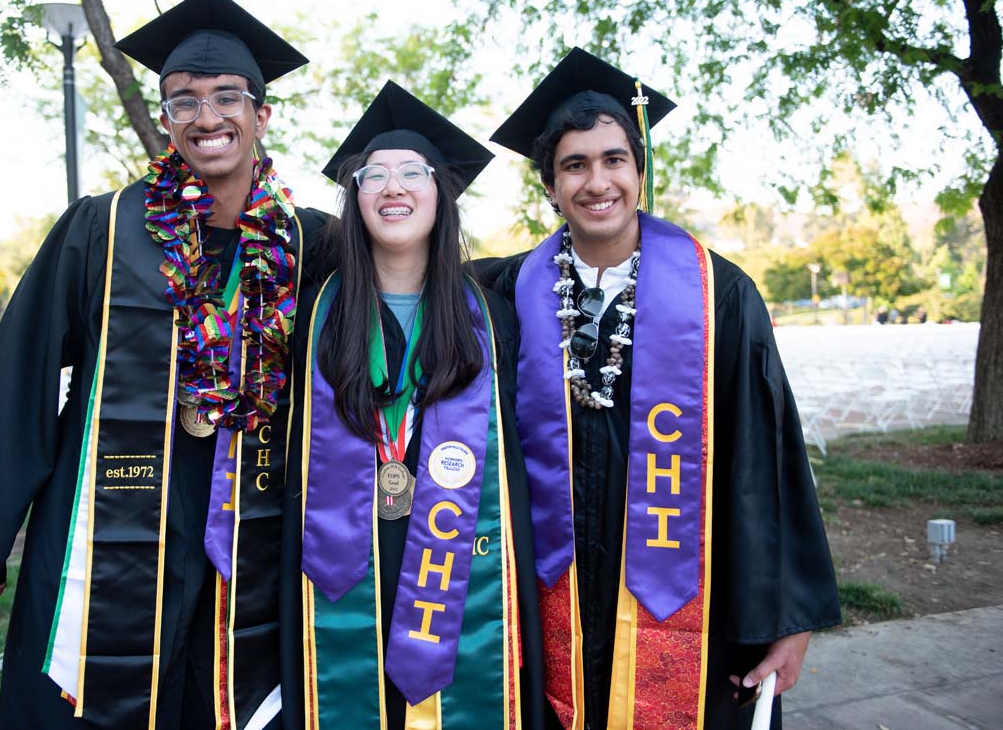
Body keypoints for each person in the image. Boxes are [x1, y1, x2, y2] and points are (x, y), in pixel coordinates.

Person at [0, 0, 330, 730]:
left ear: (262, 115)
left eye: (227, 96)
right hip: (108, 520)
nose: (206, 117)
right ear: (165, 120)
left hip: (256, 527)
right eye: (182, 101)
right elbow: (19, 377)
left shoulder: (314, 241)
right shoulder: (101, 229)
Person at [477, 48, 840, 730]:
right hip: (547, 602)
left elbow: (765, 459)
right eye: (574, 165)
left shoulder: (717, 295)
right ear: (550, 187)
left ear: (640, 172)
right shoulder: (504, 294)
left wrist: (789, 619)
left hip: (690, 610)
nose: (597, 181)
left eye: (614, 159)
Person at [281, 82, 543, 730]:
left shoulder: (494, 320)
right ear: (356, 196)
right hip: (341, 564)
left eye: (412, 173)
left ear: (442, 192)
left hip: (460, 565)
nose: (393, 187)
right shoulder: (313, 315)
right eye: (374, 175)